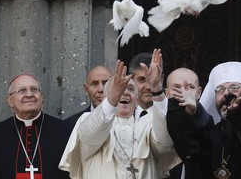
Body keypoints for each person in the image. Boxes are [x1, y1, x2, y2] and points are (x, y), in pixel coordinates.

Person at [59, 49, 180, 179]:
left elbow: (164, 144)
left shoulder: (149, 124)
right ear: (104, 98)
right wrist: (113, 98)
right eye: (118, 89)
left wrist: (156, 89)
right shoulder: (86, 119)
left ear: (137, 100)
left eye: (130, 89)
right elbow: (90, 136)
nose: (125, 92)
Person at [166, 62, 241, 179]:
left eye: (234, 88)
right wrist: (195, 113)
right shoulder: (209, 134)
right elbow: (186, 142)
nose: (226, 94)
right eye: (220, 90)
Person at [0, 74, 72, 179]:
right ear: (10, 100)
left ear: (42, 97)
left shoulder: (66, 132)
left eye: (34, 89)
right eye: (22, 90)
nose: (29, 94)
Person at [165, 68, 214, 178]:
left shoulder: (206, 121)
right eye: (177, 88)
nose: (184, 92)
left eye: (190, 87)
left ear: (199, 93)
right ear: (167, 93)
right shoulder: (157, 120)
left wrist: (195, 113)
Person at [128, 52, 154, 118]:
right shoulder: (119, 115)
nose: (148, 87)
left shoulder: (171, 116)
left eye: (152, 79)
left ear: (161, 79)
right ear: (131, 81)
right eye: (142, 80)